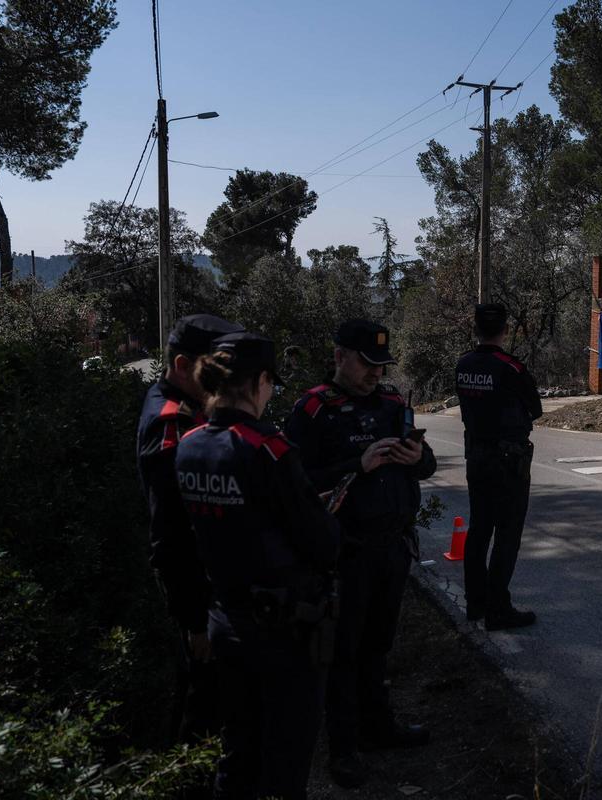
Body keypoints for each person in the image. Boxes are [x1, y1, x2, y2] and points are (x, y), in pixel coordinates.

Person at [176, 332, 341, 800]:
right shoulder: (267, 447)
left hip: (226, 622)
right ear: (261, 381)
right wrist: (322, 512)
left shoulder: (190, 445)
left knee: (237, 752)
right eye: (271, 385)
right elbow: (322, 543)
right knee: (286, 763)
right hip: (284, 631)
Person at [284, 319, 436, 789]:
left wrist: (419, 459)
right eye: (368, 365)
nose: (375, 374)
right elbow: (296, 485)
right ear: (339, 357)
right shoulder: (312, 410)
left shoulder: (393, 403)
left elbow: (425, 464)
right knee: (342, 653)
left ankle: (378, 727)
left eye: (381, 366)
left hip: (392, 547)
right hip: (345, 553)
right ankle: (344, 748)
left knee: (378, 645)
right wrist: (358, 463)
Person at [136, 313, 243, 746]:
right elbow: (172, 535)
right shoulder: (171, 424)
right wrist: (196, 621)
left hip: (212, 585)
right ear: (183, 366)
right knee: (203, 708)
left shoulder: (191, 405)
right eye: (215, 368)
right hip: (198, 592)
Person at [454, 303, 543, 631]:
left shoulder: (463, 365)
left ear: (475, 329)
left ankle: (475, 604)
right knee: (507, 535)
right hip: (508, 463)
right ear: (505, 330)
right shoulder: (510, 368)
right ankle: (498, 608)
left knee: (479, 530)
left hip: (475, 458)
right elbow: (535, 409)